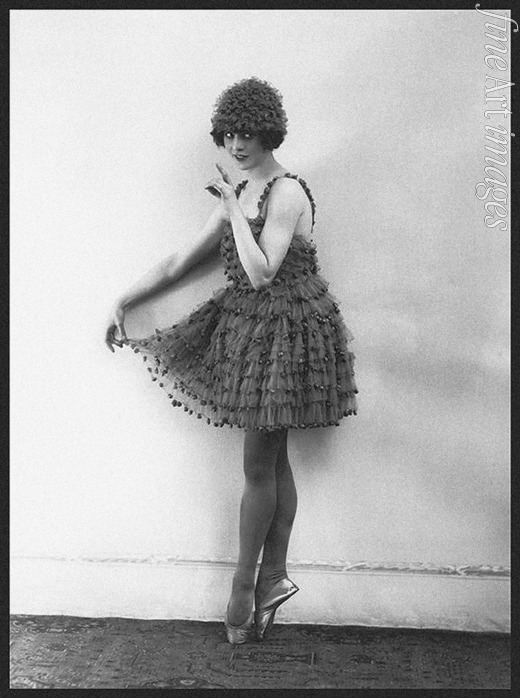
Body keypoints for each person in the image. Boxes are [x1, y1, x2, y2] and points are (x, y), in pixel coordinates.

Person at [105, 77, 358, 644]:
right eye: (229, 135)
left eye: (248, 134)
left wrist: (233, 211)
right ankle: (273, 579)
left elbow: (262, 271)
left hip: (288, 331)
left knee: (258, 466)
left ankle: (244, 589)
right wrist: (126, 299)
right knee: (272, 461)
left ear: (269, 133)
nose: (237, 145)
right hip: (251, 330)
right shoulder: (238, 190)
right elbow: (180, 263)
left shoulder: (285, 192)